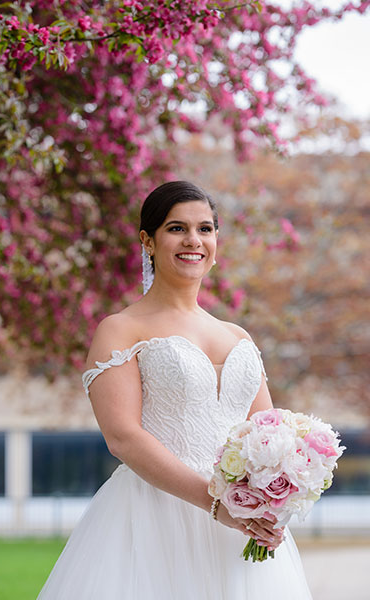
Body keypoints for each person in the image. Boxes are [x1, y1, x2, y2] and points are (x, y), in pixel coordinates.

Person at [37, 181, 312, 599]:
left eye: (205, 229)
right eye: (176, 228)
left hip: (238, 527)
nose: (193, 241)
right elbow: (123, 437)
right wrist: (217, 504)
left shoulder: (238, 335)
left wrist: (271, 504)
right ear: (147, 240)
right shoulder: (121, 329)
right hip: (152, 518)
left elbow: (268, 434)